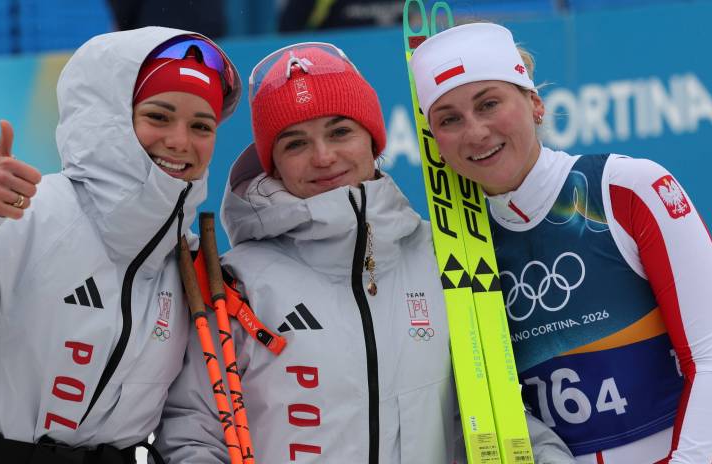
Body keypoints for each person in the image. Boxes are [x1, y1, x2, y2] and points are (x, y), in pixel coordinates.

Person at [155, 41, 575, 463]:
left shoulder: (442, 258)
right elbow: (193, 436)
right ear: (274, 165)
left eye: (340, 132)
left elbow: (491, 413)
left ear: (374, 141)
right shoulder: (238, 284)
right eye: (295, 144)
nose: (323, 157)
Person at [0, 26, 240, 463]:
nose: (180, 140)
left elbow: (191, 422)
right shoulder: (29, 217)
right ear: (110, 116)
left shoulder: (189, 265)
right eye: (158, 116)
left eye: (201, 125)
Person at [409, 22, 712, 463]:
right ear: (436, 143)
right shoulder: (454, 249)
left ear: (534, 103)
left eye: (489, 103)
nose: (475, 132)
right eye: (449, 119)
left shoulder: (625, 190)